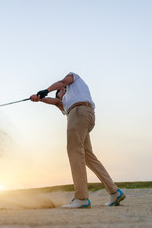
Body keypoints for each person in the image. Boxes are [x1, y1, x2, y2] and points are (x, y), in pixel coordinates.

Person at [30, 72, 125, 208]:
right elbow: (56, 102)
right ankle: (114, 192)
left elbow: (62, 82)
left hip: (80, 113)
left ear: (65, 89)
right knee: (87, 156)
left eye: (60, 91)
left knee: (74, 151)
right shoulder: (65, 102)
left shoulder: (74, 80)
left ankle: (81, 198)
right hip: (84, 117)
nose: (60, 93)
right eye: (58, 94)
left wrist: (46, 90)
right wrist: (38, 98)